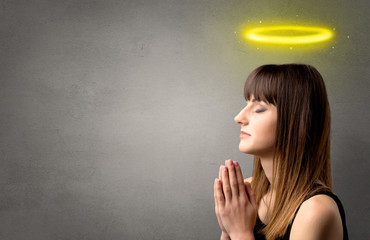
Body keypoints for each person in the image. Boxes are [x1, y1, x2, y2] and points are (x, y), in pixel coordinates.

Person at [213, 64, 348, 240]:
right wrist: (227, 230)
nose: (239, 118)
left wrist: (240, 232)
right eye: (246, 104)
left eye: (259, 109)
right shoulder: (248, 192)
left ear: (297, 119)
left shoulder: (315, 211)